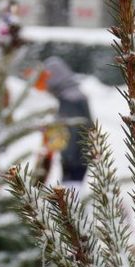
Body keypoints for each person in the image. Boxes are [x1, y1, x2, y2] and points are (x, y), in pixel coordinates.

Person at [42, 56, 93, 184]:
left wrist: (67, 157)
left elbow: (72, 130)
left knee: (71, 189)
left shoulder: (70, 99)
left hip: (74, 159)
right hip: (80, 156)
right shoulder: (74, 94)